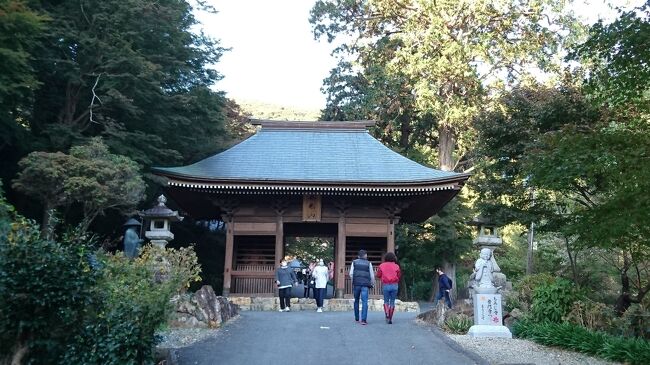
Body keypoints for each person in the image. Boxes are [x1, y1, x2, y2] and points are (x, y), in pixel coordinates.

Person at [350, 249, 374, 325]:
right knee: (364, 301)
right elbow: (372, 275)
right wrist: (372, 283)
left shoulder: (354, 262)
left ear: (358, 256)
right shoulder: (368, 263)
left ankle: (357, 318)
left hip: (357, 284)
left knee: (356, 300)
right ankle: (363, 320)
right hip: (365, 285)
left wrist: (353, 281)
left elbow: (351, 274)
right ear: (365, 255)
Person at [377, 252, 400, 324]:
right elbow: (399, 275)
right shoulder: (396, 266)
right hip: (394, 285)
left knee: (386, 301)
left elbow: (378, 275)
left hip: (386, 285)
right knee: (392, 301)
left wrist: (382, 277)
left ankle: (387, 312)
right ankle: (390, 317)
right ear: (393, 258)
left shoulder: (382, 265)